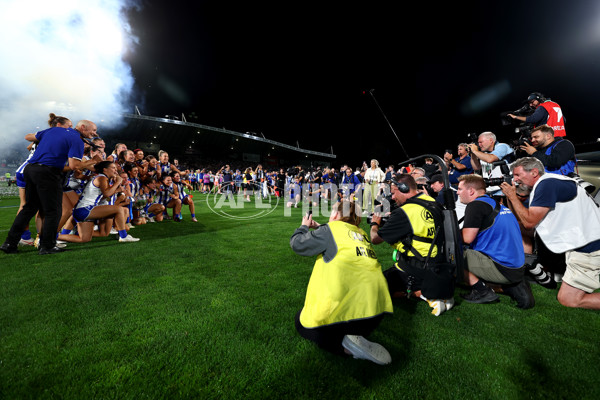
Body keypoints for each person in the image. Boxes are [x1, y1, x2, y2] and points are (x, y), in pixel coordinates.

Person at [290, 200, 393, 365]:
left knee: (301, 321)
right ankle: (354, 335)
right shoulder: (361, 233)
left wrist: (303, 227)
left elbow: (297, 244)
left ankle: (346, 347)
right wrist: (320, 227)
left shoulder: (330, 230)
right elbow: (340, 235)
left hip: (349, 314)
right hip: (375, 313)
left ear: (336, 214)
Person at [500, 157, 600, 310]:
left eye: (518, 175)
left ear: (534, 172)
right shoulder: (550, 182)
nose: (515, 180)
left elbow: (529, 222)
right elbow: (523, 224)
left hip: (589, 246)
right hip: (588, 241)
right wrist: (510, 198)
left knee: (569, 299)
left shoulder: (546, 185)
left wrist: (513, 196)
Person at [2, 119, 96, 255]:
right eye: (93, 130)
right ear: (82, 127)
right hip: (48, 172)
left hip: (30, 169)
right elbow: (74, 165)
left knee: (28, 208)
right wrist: (91, 163)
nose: (95, 133)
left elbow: (30, 137)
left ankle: (10, 243)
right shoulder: (77, 140)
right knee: (53, 211)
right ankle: (47, 246)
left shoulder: (53, 130)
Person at [370, 174, 455, 316]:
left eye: (394, 192)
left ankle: (423, 293)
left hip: (415, 269)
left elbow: (375, 239)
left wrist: (375, 223)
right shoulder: (431, 201)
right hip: (437, 264)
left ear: (403, 188)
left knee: (374, 287)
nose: (392, 197)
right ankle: (433, 291)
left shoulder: (405, 212)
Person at [457, 174, 534, 309]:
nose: (457, 192)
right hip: (516, 267)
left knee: (452, 254)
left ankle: (482, 291)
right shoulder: (494, 203)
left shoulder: (475, 205)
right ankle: (510, 287)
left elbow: (467, 238)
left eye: (459, 189)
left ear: (471, 191)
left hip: (502, 268)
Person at [57, 161, 139, 244]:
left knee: (84, 239)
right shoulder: (102, 178)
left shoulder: (101, 178)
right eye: (113, 168)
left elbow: (103, 195)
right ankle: (124, 236)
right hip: (86, 209)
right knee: (119, 210)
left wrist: (116, 188)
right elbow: (107, 194)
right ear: (105, 170)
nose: (115, 170)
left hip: (82, 211)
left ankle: (52, 237)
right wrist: (118, 182)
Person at [468, 131, 514, 198]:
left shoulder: (502, 146)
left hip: (503, 191)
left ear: (491, 140)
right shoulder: (484, 153)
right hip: (490, 191)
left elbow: (490, 159)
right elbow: (476, 167)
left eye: (481, 142)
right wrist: (473, 154)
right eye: (478, 143)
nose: (479, 145)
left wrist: (475, 151)